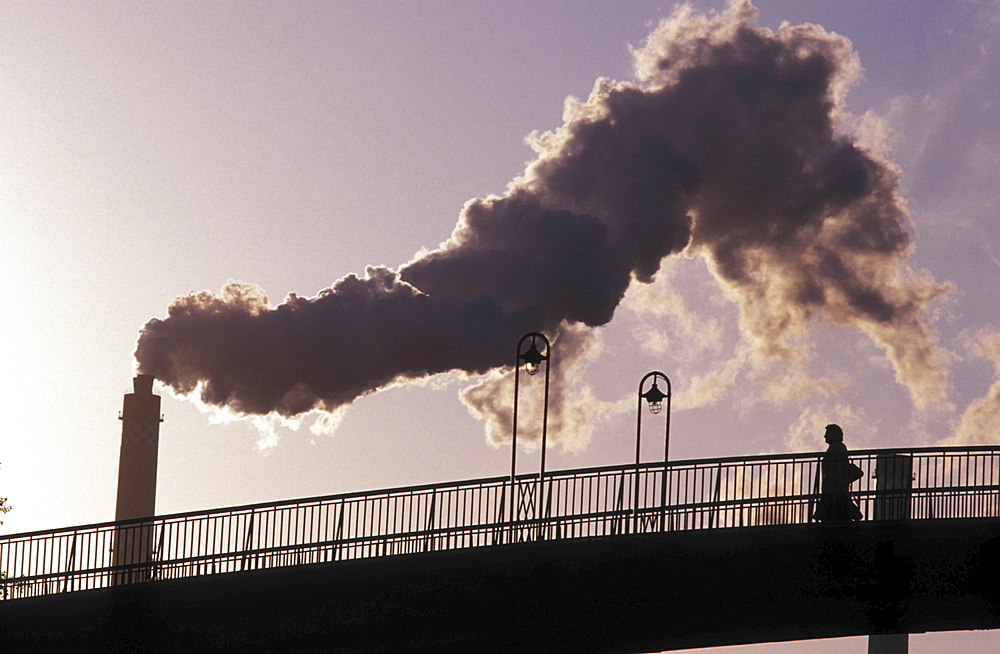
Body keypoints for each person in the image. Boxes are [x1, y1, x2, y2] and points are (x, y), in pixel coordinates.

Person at [811, 424, 863, 522]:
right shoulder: (838, 447)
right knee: (838, 510)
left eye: (827, 434)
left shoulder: (837, 448)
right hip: (834, 487)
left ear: (833, 435)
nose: (824, 436)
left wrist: (840, 481)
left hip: (834, 487)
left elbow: (839, 465)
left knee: (834, 511)